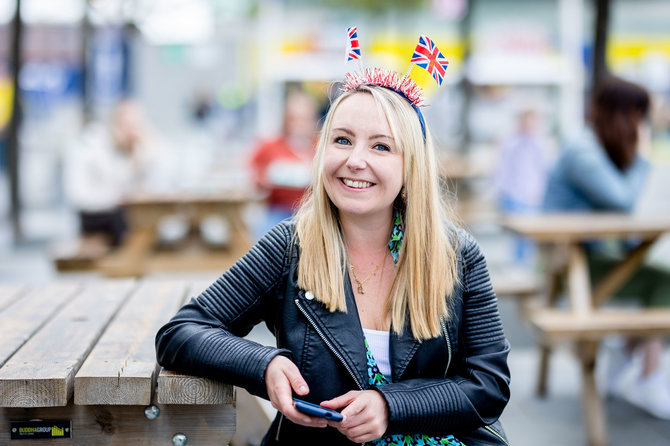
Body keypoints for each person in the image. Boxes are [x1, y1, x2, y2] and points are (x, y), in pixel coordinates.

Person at [156, 67, 511, 445]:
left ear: (411, 167)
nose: (355, 160)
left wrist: (391, 406)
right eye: (342, 140)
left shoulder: (456, 255)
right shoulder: (289, 247)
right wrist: (265, 364)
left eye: (380, 146)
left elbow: (489, 384)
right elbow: (182, 332)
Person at [543, 76, 670, 420]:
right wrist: (643, 154)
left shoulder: (597, 148)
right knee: (666, 284)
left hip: (587, 262)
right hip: (566, 268)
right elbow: (623, 201)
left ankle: (630, 355)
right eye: (641, 117)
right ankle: (645, 373)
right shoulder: (583, 150)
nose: (642, 126)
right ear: (626, 115)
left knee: (664, 280)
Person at [64, 99, 172, 246]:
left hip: (122, 213)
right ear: (115, 124)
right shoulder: (91, 145)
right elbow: (78, 195)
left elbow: (160, 182)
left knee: (149, 219)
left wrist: (145, 149)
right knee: (132, 225)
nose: (132, 131)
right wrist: (116, 198)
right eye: (128, 125)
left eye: (137, 125)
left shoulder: (134, 149)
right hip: (96, 214)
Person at [248, 88, 320, 238]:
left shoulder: (321, 145)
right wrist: (266, 179)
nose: (299, 123)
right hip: (278, 211)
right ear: (285, 119)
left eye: (305, 118)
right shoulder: (271, 145)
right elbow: (252, 171)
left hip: (314, 212)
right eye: (294, 118)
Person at [494, 107, 549, 263]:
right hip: (514, 195)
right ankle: (518, 266)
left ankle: (525, 266)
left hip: (532, 196)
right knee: (518, 236)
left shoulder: (540, 143)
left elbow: (542, 171)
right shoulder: (511, 143)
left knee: (530, 236)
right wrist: (502, 193)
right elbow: (502, 169)